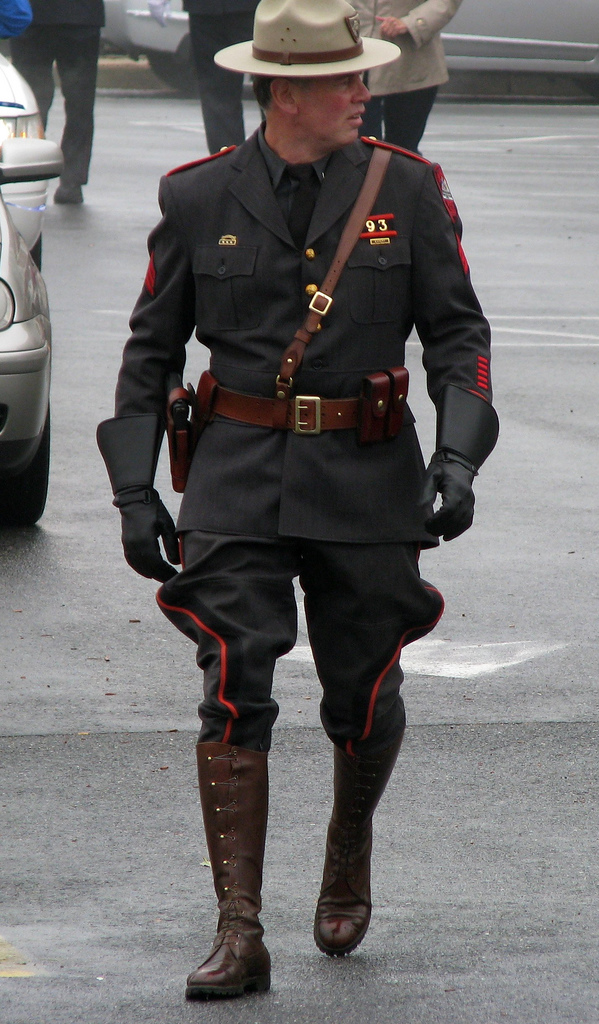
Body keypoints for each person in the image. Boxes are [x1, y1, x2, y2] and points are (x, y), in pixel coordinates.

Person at [97, 0, 498, 1001]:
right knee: (233, 683)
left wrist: (457, 458)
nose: (364, 91)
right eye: (344, 79)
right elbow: (150, 351)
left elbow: (457, 335)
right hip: (235, 471)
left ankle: (348, 843)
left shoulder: (406, 188)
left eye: (360, 74)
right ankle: (239, 930)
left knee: (362, 691)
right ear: (285, 92)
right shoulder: (199, 195)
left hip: (367, 473)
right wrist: (134, 490)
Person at [10, 0, 104, 204]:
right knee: (79, 102)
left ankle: (26, 174)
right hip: (80, 16)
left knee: (31, 102)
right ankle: (72, 181)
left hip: (34, 15)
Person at [353, 0, 462, 153]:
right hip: (356, 60)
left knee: (403, 151)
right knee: (358, 149)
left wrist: (412, 23)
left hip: (412, 64)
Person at [183, 0, 258, 154]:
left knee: (275, 90)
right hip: (207, 10)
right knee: (217, 96)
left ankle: (281, 162)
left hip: (258, 9)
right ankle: (228, 164)